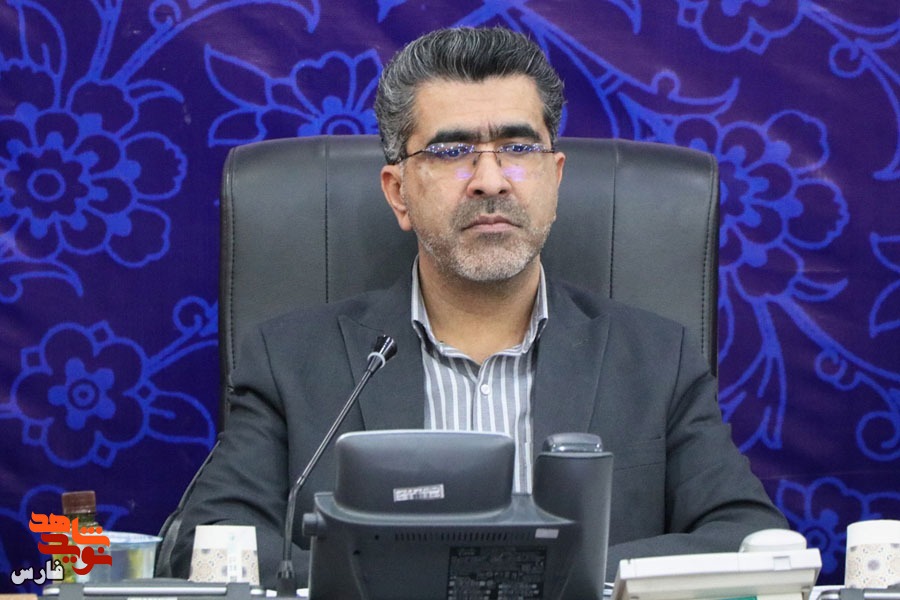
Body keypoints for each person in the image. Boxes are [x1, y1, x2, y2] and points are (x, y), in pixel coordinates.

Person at [168, 26, 787, 588]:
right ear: (398, 192)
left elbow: (751, 541)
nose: (490, 180)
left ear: (555, 179)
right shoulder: (290, 360)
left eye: (518, 148)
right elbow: (205, 545)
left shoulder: (657, 359)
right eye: (451, 151)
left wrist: (536, 577)